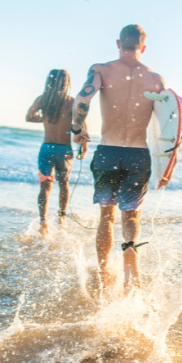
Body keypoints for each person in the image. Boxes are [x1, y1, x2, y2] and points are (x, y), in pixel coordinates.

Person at [70, 24, 166, 294]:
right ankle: (129, 252)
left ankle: (103, 274)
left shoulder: (102, 69)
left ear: (118, 43)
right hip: (139, 153)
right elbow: (168, 126)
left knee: (106, 217)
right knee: (131, 216)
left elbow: (82, 100)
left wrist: (77, 130)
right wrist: (167, 164)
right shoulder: (156, 79)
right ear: (143, 47)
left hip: (108, 151)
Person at [26, 69, 87, 235]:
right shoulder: (70, 102)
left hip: (46, 148)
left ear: (49, 81)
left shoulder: (42, 100)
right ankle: (61, 217)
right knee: (64, 184)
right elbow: (81, 124)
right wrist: (84, 146)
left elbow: (29, 117)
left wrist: (45, 118)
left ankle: (43, 222)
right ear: (67, 83)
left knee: (45, 187)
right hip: (65, 150)